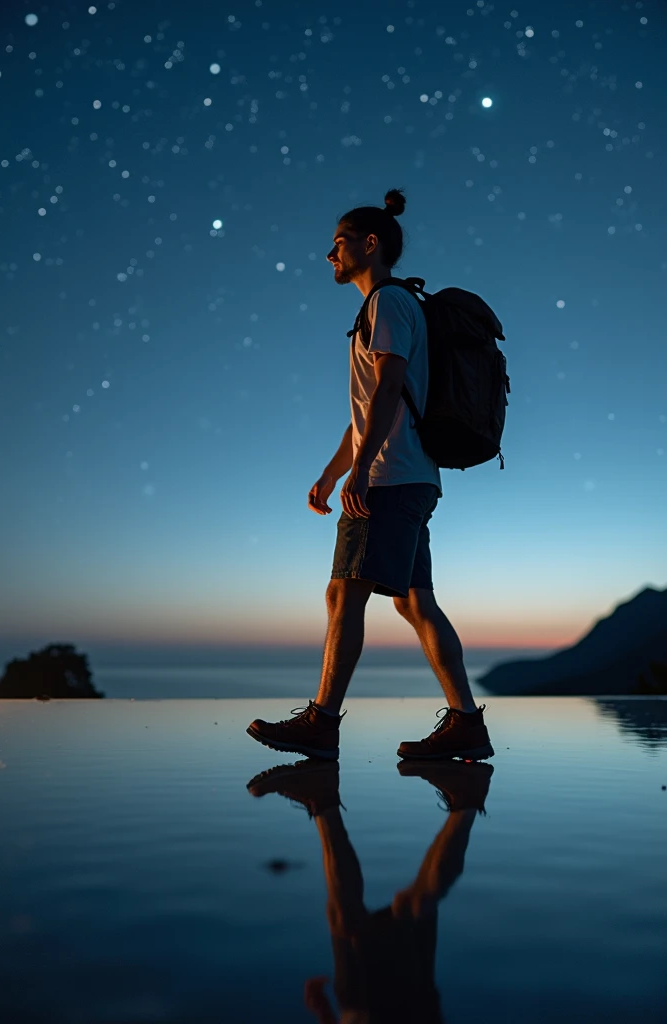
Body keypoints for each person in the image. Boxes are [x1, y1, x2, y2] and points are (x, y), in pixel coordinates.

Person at [247, 188, 493, 763]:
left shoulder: (387, 303)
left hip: (389, 477)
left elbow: (388, 389)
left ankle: (321, 722)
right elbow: (367, 411)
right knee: (413, 602)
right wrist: (332, 473)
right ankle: (464, 724)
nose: (330, 255)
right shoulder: (385, 308)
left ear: (370, 244)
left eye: (339, 243)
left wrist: (360, 472)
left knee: (343, 592)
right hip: (408, 474)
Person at [247, 757, 494, 1023]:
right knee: (410, 908)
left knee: (373, 914)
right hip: (400, 1011)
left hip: (366, 1007)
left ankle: (322, 798)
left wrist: (324, 1012)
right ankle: (467, 799)